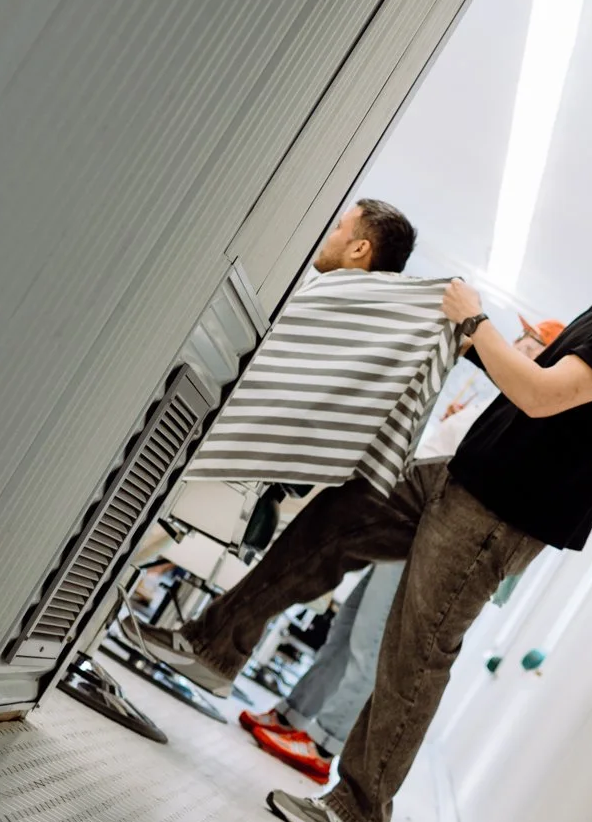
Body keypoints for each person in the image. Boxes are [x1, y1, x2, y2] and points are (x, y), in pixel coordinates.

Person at [130, 173, 592, 822]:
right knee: (339, 517)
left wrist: (476, 321)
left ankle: (359, 814)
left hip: (496, 516)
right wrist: (458, 337)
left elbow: (539, 396)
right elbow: (529, 390)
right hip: (461, 479)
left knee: (415, 653)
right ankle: (211, 648)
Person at [240, 318, 564, 784]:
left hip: (420, 535)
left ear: (543, 359)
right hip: (401, 520)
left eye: (528, 343)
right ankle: (292, 715)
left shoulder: (520, 418)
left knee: (369, 641)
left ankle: (323, 743)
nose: (514, 344)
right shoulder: (495, 403)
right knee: (348, 627)